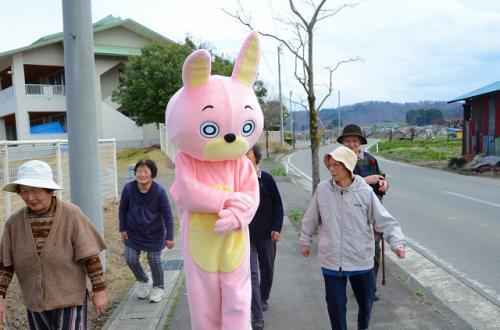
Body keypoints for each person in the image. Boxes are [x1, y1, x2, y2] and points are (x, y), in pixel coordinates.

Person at [300, 146, 405, 330]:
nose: (332, 169)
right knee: (335, 307)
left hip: (361, 260)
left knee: (366, 303)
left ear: (348, 166)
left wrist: (397, 243)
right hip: (332, 260)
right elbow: (310, 217)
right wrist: (305, 240)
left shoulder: (364, 191)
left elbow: (384, 220)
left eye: (336, 165)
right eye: (330, 165)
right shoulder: (323, 190)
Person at [0, 160, 108, 329]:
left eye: (35, 191)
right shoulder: (13, 223)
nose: (29, 197)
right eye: (24, 191)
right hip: (35, 302)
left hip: (70, 299)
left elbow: (90, 256)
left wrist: (99, 290)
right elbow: (5, 265)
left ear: (50, 191)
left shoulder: (71, 214)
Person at [338, 123, 388, 300]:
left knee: (373, 250)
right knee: (353, 250)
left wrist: (383, 184)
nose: (351, 144)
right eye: (347, 141)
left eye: (355, 140)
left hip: (371, 211)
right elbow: (342, 185)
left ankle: (370, 286)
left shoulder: (370, 159)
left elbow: (381, 177)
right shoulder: (339, 161)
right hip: (348, 212)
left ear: (360, 142)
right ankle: (356, 284)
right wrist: (368, 180)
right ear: (342, 143)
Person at [119, 159, 174, 303]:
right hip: (133, 232)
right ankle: (144, 281)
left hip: (154, 233)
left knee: (154, 260)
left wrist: (170, 236)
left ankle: (158, 287)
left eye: (145, 171)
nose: (141, 174)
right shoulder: (128, 188)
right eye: (138, 171)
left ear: (152, 174)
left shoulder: (159, 191)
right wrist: (122, 228)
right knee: (130, 259)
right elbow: (122, 209)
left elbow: (168, 214)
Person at [246, 145, 284, 330]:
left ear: (256, 157)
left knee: (267, 269)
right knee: (252, 273)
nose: (244, 158)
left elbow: (278, 204)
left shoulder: (266, 179)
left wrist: (277, 228)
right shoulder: (237, 181)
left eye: (247, 154)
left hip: (267, 235)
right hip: (245, 236)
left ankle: (263, 297)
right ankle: (257, 314)